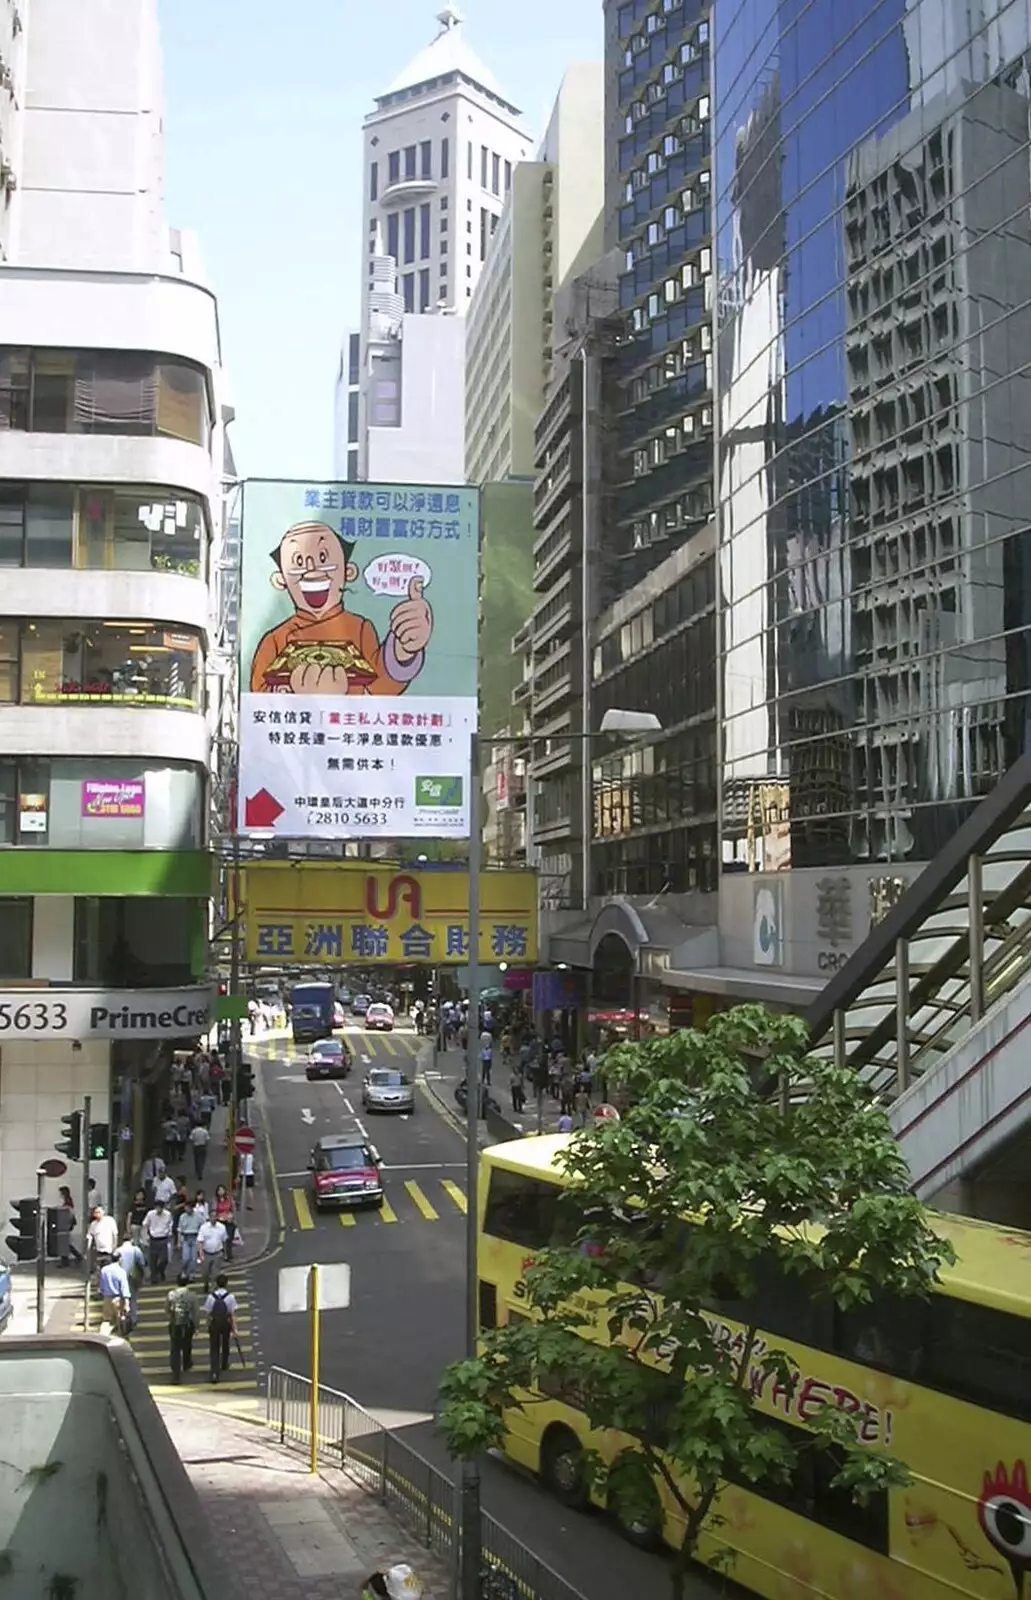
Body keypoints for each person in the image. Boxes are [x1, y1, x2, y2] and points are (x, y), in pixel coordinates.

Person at [248, 520, 433, 697]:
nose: (312, 569)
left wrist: (405, 647)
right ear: (281, 580)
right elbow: (258, 699)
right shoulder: (274, 640)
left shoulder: (360, 629)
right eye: (299, 562)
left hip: (348, 727)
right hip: (297, 728)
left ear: (348, 572)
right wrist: (292, 694)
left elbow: (382, 686)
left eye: (323, 558)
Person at [203, 1273, 237, 1384]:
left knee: (214, 1348)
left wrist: (207, 1324)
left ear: (216, 1284)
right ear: (226, 1284)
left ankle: (214, 1372)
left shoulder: (210, 1297)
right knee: (225, 1344)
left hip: (214, 1324)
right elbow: (232, 1314)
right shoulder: (230, 1297)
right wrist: (235, 1329)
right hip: (225, 1324)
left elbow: (207, 1313)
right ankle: (224, 1363)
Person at [167, 1272, 198, 1383]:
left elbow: (167, 1309)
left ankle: (176, 1374)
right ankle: (186, 1363)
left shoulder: (171, 1294)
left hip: (175, 1324)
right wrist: (196, 1326)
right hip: (188, 1324)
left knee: (175, 1349)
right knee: (187, 1344)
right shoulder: (192, 1295)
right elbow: (195, 1313)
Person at [141, 1198, 173, 1284]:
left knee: (164, 1259)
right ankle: (154, 1277)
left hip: (163, 1238)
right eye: (157, 1207)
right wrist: (145, 1237)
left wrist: (169, 1234)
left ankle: (160, 1271)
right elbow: (145, 1224)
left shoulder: (167, 1214)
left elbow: (170, 1225)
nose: (158, 1209)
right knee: (153, 1260)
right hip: (153, 1238)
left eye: (160, 1208)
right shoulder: (150, 1214)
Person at [98, 1256, 132, 1335]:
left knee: (107, 1320)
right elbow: (124, 1289)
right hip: (118, 1299)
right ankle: (120, 1338)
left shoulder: (104, 1270)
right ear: (120, 1259)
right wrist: (127, 1304)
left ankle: (103, 1336)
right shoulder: (121, 1271)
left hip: (107, 1298)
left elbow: (101, 1286)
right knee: (120, 1321)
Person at [197, 1214, 228, 1291]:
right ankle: (206, 1284)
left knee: (215, 1273)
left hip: (217, 1253)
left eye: (215, 1217)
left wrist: (225, 1253)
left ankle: (212, 1289)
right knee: (205, 1273)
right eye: (212, 1217)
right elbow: (200, 1242)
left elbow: (224, 1241)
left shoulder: (222, 1227)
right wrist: (201, 1255)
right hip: (206, 1253)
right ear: (209, 1218)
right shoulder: (204, 1227)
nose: (213, 1218)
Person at [55, 1186, 82, 1267]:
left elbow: (68, 1211)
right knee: (65, 1242)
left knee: (64, 1242)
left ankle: (66, 1260)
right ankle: (76, 1256)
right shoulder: (68, 1201)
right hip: (67, 1224)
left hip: (66, 1224)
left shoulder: (68, 1201)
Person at [177, 1197, 202, 1279]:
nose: (186, 1209)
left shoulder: (198, 1217)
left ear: (192, 1208)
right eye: (185, 1207)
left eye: (188, 1207)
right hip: (186, 1238)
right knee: (185, 1258)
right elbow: (180, 1229)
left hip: (195, 1237)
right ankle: (184, 1271)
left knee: (194, 1259)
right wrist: (178, 1241)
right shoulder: (182, 1217)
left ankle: (192, 1274)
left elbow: (202, 1228)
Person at [87, 1204, 118, 1269]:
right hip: (99, 1250)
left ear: (103, 1212)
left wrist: (114, 1246)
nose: (97, 1214)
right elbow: (90, 1236)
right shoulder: (93, 1224)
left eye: (99, 1212)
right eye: (95, 1213)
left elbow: (115, 1234)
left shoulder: (110, 1220)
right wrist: (88, 1248)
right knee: (99, 1269)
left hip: (109, 1250)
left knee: (108, 1268)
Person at [212, 1184, 236, 1262]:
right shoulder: (215, 1200)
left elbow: (233, 1209)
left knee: (229, 1238)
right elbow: (214, 1210)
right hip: (220, 1221)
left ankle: (229, 1255)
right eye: (219, 1190)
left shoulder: (229, 1199)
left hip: (229, 1221)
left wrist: (231, 1216)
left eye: (222, 1190)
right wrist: (217, 1217)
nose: (221, 1192)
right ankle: (223, 1254)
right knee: (221, 1239)